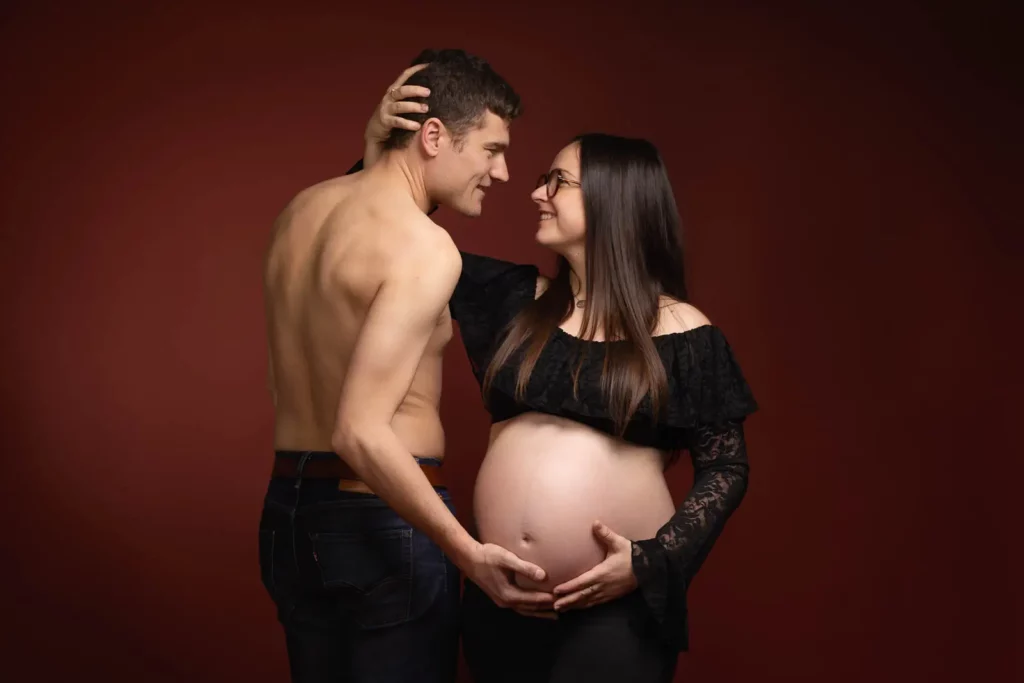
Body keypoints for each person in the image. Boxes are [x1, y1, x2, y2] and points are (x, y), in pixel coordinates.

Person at [356, 76, 759, 683]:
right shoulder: (509, 299)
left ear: (613, 200)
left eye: (558, 182)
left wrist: (654, 559)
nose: (535, 192)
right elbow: (383, 225)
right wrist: (376, 146)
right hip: (498, 601)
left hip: (614, 614)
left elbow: (726, 467)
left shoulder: (682, 331)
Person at [257, 49, 555, 683]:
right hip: (380, 520)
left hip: (289, 512)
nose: (502, 173)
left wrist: (373, 147)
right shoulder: (423, 248)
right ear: (434, 135)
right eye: (492, 150)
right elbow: (359, 430)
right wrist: (468, 554)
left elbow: (362, 222)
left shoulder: (298, 213)